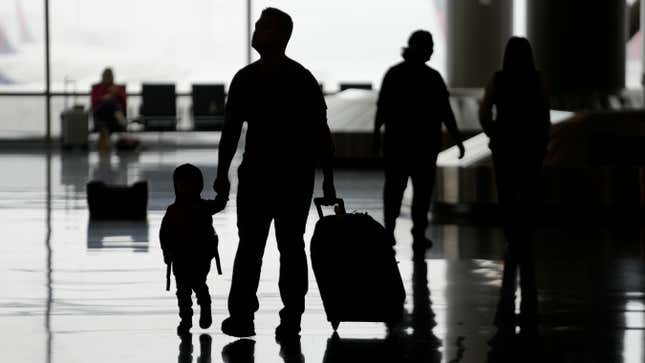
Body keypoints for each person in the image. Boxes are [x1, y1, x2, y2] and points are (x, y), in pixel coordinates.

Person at [212, 7, 336, 339]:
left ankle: (241, 317)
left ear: (280, 35)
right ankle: (291, 319)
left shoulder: (246, 78)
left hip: (257, 175)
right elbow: (320, 132)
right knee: (291, 246)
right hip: (295, 177)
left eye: (262, 26)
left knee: (250, 246)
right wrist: (328, 178)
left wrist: (223, 174)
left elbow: (231, 132)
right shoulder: (302, 78)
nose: (256, 30)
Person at [479, 37, 550, 343]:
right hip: (530, 146)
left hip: (505, 146)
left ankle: (512, 239)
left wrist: (493, 133)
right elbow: (544, 112)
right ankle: (525, 237)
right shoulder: (537, 79)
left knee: (506, 193)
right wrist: (543, 142)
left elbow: (485, 111)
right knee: (529, 192)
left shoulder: (498, 79)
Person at [374, 30, 465, 249]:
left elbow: (382, 109)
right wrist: (457, 139)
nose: (433, 50)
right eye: (430, 46)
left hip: (396, 144)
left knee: (394, 189)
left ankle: (389, 230)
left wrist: (376, 136)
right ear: (422, 48)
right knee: (423, 192)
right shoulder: (433, 77)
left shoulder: (394, 74)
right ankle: (418, 234)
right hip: (426, 146)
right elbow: (446, 111)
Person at [160, 163, 227, 336]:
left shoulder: (203, 206)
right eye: (182, 184)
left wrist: (223, 190)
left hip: (200, 258)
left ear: (198, 185)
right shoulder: (172, 211)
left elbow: (219, 204)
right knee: (182, 291)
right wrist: (166, 253)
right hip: (179, 258)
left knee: (199, 285)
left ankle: (205, 306)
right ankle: (186, 319)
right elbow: (164, 234)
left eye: (190, 184)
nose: (186, 187)